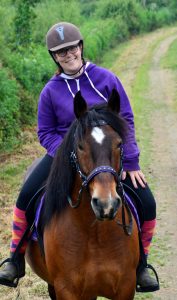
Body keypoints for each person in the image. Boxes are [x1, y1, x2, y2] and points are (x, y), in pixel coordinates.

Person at [0, 22, 159, 292]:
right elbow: (45, 132)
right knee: (25, 197)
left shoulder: (106, 79)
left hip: (106, 153)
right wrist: (66, 152)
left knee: (147, 201)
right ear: (54, 57)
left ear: (81, 47)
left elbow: (126, 120)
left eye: (72, 47)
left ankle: (142, 264)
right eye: (60, 51)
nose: (68, 54)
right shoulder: (50, 91)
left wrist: (130, 161)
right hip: (64, 154)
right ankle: (15, 259)